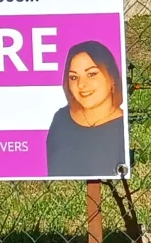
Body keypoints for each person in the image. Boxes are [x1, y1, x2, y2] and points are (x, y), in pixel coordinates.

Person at [45, 41, 126, 177]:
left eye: (91, 74)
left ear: (112, 77)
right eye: (74, 77)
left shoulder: (125, 126)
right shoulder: (61, 119)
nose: (81, 84)